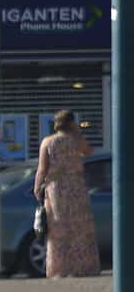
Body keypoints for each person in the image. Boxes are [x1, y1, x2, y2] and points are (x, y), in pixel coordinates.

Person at [33, 110, 100, 277]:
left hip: (56, 189)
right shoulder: (76, 141)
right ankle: (84, 266)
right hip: (77, 187)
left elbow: (42, 169)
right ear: (72, 123)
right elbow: (89, 152)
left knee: (59, 228)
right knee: (80, 228)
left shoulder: (48, 142)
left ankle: (60, 268)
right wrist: (78, 133)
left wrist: (37, 187)